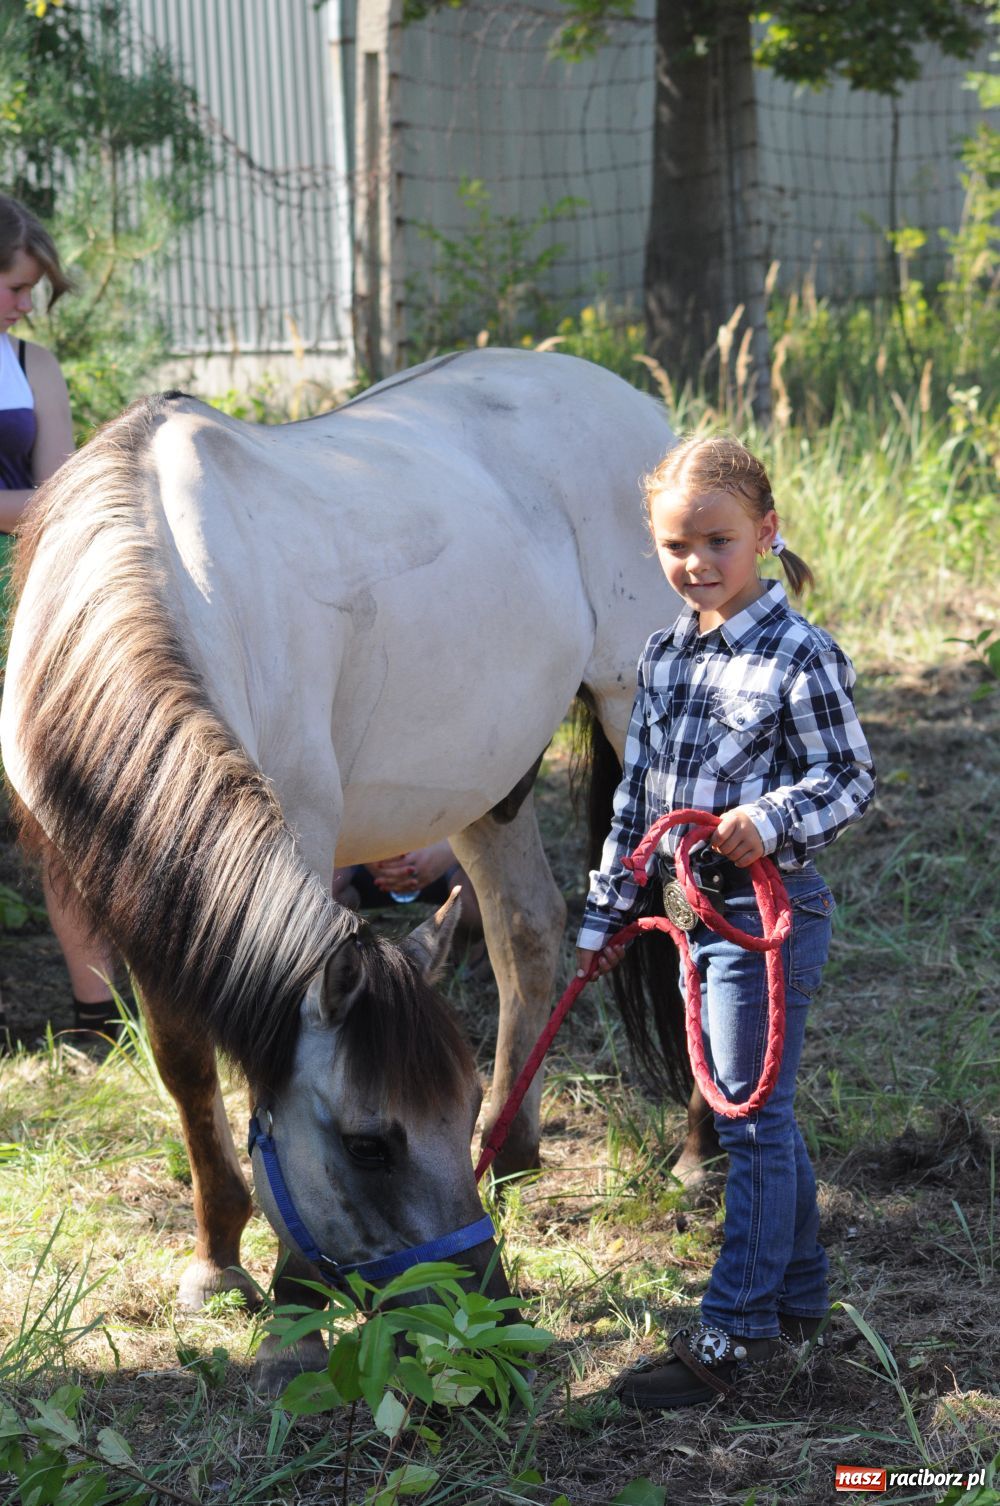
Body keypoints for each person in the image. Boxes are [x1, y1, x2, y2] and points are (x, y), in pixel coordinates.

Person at [576, 434, 875, 1409]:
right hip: (689, 913)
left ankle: (732, 1333)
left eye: (717, 540)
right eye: (675, 545)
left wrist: (770, 817)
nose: (696, 563)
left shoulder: (801, 653)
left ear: (765, 534)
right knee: (761, 1111)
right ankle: (797, 1300)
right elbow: (640, 795)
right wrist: (607, 907)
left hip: (766, 917)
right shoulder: (660, 655)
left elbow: (848, 775)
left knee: (746, 1119)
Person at [0, 192, 120, 1046]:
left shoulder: (32, 366)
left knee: (57, 810)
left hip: (29, 605)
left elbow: (61, 498)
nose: (23, 307)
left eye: (30, 290)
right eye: (10, 287)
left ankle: (96, 1020)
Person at [333, 840, 488, 974]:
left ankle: (467, 946)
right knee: (326, 886)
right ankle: (346, 954)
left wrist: (452, 849)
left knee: (480, 894)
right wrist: (361, 851)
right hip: (363, 858)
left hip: (442, 856)